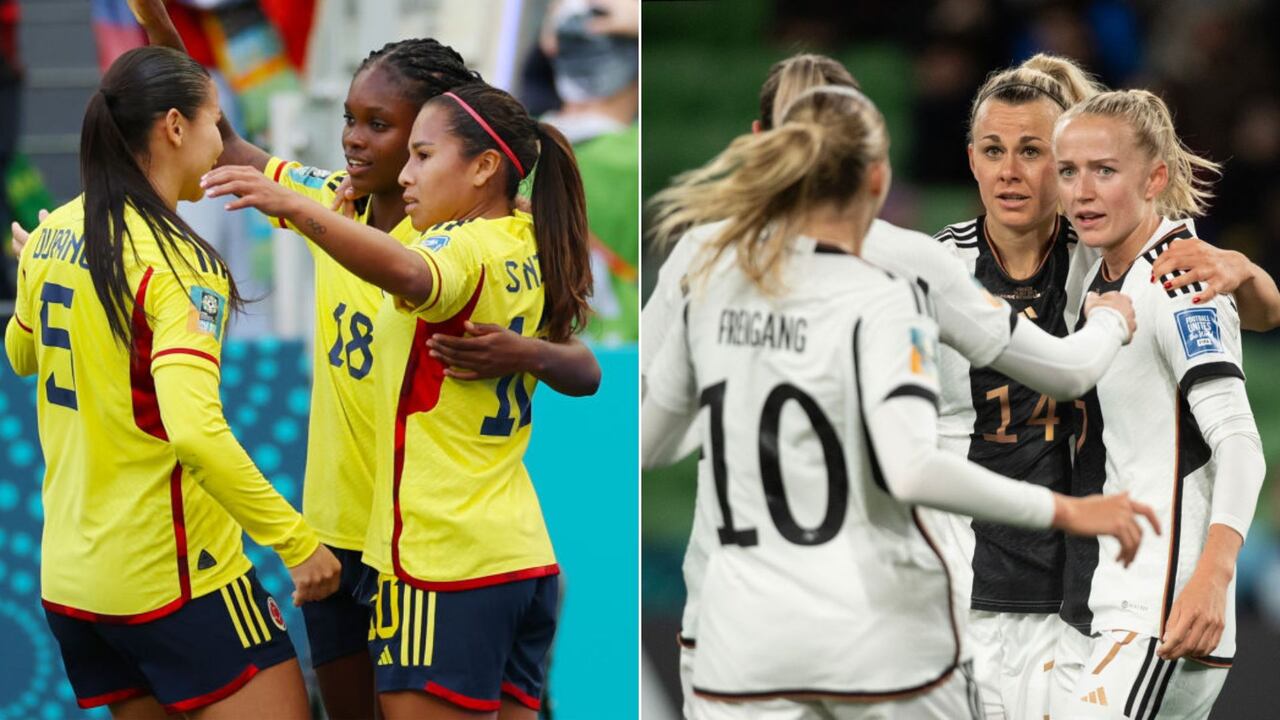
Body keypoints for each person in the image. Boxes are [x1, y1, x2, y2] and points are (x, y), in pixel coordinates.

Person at [121, 4, 600, 717]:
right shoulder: (335, 204)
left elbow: (568, 354)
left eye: (384, 127)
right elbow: (221, 143)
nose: (353, 140)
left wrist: (527, 350)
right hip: (341, 529)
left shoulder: (448, 239)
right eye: (351, 118)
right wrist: (164, 32)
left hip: (423, 541)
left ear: (439, 136)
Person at [641, 52, 1140, 718]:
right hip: (877, 629)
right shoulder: (901, 276)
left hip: (736, 631)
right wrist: (1109, 324)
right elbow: (1054, 377)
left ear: (767, 147)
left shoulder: (704, 265)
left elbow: (647, 445)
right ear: (878, 176)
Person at [3, 46, 339, 719]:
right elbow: (195, 431)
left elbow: (21, 357)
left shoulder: (52, 234)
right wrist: (298, 545)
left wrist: (34, 269)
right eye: (217, 123)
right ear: (176, 127)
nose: (224, 144)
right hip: (173, 582)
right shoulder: (181, 267)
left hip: (76, 586)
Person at [1049, 89, 1265, 719]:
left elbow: (1239, 443)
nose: (1082, 191)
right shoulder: (1099, 268)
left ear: (1156, 178)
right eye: (1069, 171)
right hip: (1112, 601)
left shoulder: (1178, 282)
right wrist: (1252, 274)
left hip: (1164, 610)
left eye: (1105, 171)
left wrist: (1214, 577)